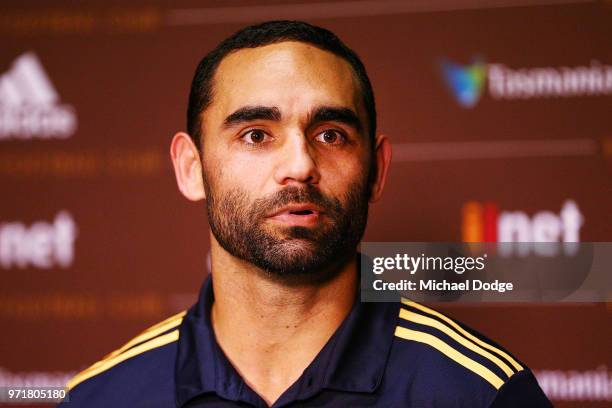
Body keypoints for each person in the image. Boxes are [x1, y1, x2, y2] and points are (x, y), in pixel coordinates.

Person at [61, 20, 551, 407]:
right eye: (255, 134)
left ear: (376, 170)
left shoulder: (481, 394)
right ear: (191, 168)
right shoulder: (101, 397)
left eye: (331, 135)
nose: (299, 166)